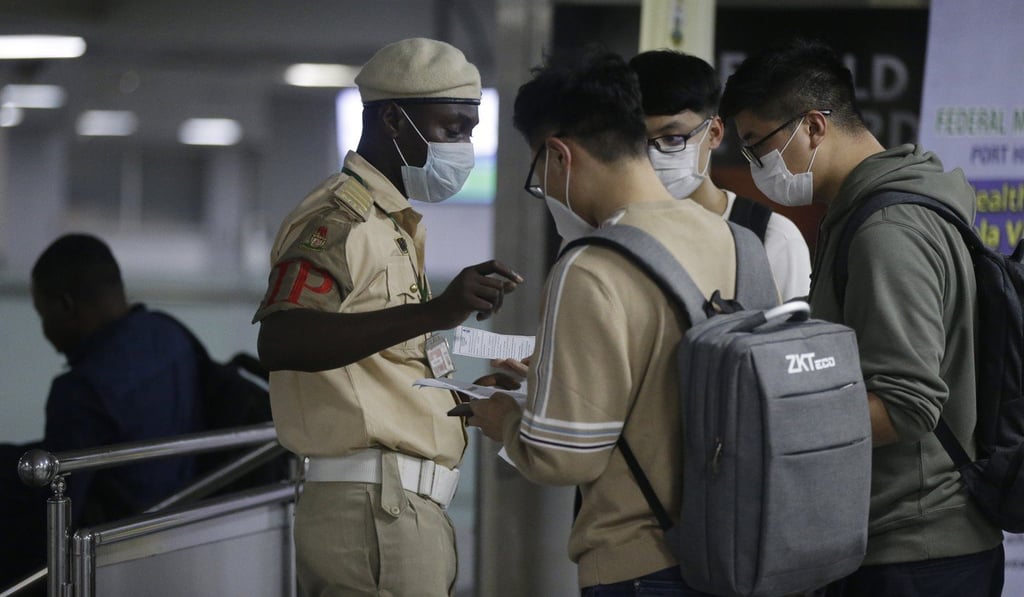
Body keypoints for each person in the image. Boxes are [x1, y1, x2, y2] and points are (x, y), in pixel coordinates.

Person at [718, 37, 1004, 596]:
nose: (754, 167)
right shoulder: (871, 211)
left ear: (814, 127)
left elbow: (908, 402)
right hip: (906, 543)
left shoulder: (886, 230)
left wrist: (770, 420)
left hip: (916, 549)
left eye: (757, 145)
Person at [252, 37, 522, 597]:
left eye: (469, 133)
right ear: (396, 121)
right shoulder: (338, 220)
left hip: (400, 510)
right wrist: (436, 311)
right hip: (374, 512)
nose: (463, 149)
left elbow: (379, 373)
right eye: (451, 129)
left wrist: (466, 399)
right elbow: (283, 339)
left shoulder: (391, 225)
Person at [464, 51, 740, 595]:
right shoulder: (736, 241)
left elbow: (564, 456)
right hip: (736, 548)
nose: (542, 184)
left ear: (560, 155)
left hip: (641, 564)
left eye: (537, 168)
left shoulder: (589, 265)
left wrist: (503, 420)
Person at [0, 233, 205, 589]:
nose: (45, 331)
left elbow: (52, 522)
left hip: (116, 549)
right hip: (185, 524)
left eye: (43, 315)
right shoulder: (169, 334)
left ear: (66, 306)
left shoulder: (80, 390)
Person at [630, 49, 812, 301]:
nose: (653, 155)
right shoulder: (615, 229)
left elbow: (797, 339)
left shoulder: (770, 238)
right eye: (637, 141)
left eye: (673, 138)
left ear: (714, 133)